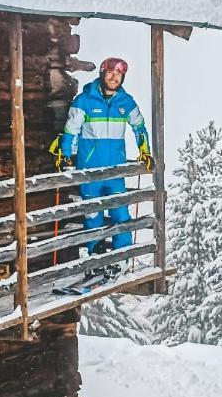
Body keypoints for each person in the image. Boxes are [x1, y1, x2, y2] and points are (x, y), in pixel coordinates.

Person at [60, 56, 154, 254]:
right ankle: (95, 256)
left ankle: (122, 257)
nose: (114, 77)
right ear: (102, 73)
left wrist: (144, 152)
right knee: (93, 216)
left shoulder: (126, 102)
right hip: (89, 171)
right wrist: (65, 154)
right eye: (111, 72)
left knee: (121, 214)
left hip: (115, 172)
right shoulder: (84, 101)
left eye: (119, 74)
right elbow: (70, 130)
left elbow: (140, 127)